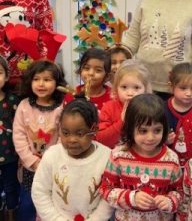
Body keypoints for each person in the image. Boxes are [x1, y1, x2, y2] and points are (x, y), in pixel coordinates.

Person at [99, 93, 183, 221]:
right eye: (143, 131)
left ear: (164, 129)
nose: (150, 137)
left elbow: (179, 191)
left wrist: (170, 201)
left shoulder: (171, 159)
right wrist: (131, 198)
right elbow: (106, 189)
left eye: (157, 130)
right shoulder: (118, 155)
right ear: (130, 128)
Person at [32, 97, 113, 221]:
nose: (72, 139)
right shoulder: (52, 156)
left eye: (79, 134)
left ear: (94, 130)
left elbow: (109, 197)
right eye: (65, 133)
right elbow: (40, 191)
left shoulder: (107, 157)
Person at [12, 59, 67, 221]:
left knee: (53, 202)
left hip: (54, 166)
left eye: (47, 79)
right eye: (36, 79)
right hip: (30, 168)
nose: (41, 84)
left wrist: (50, 160)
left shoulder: (61, 107)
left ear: (57, 82)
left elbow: (63, 135)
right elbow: (19, 136)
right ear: (30, 81)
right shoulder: (24, 106)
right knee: (28, 204)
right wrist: (32, 161)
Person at [95, 59, 152, 148]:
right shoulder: (109, 108)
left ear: (145, 89)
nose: (130, 93)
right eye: (124, 87)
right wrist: (121, 121)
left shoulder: (151, 109)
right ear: (116, 88)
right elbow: (101, 140)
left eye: (136, 87)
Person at [165, 62, 192, 168]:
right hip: (167, 163)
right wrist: (163, 141)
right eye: (183, 88)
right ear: (171, 86)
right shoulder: (161, 109)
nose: (189, 93)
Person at [0, 55, 20, 220]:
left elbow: (20, 129)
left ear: (6, 76)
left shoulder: (13, 100)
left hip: (10, 156)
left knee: (11, 186)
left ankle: (12, 213)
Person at [64, 48, 111, 113]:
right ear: (80, 70)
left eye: (98, 70)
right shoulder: (71, 96)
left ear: (107, 76)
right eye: (86, 68)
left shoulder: (113, 97)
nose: (91, 73)